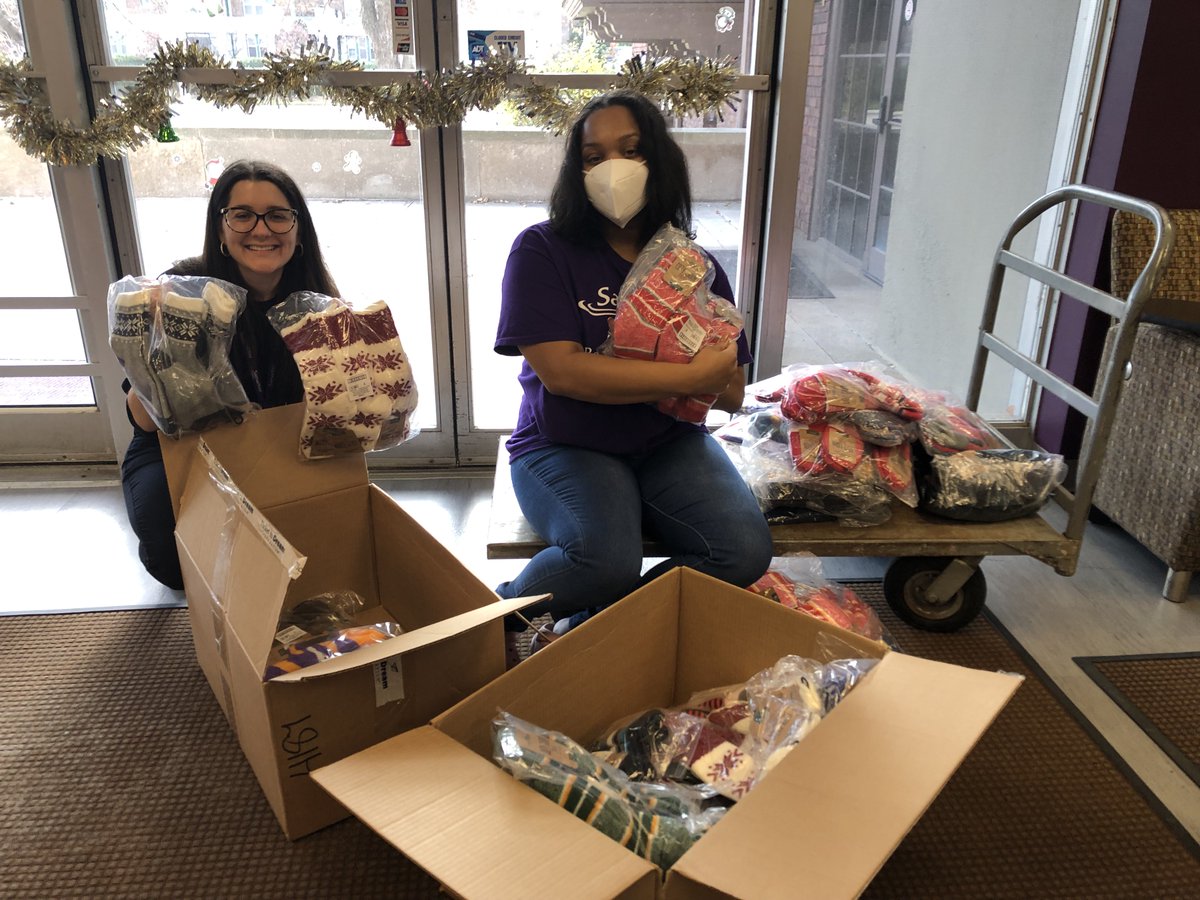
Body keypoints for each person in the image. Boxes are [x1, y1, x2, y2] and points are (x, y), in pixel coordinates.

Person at [493, 91, 774, 661]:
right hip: (565, 444)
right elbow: (565, 374)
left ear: (660, 161)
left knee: (742, 550)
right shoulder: (542, 249)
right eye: (593, 156)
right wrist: (687, 373)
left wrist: (699, 375)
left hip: (667, 444)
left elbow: (730, 390)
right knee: (604, 557)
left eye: (631, 150)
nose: (611, 169)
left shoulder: (691, 265)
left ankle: (603, 631)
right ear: (577, 170)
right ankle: (501, 615)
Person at [120, 160, 339, 589]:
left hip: (271, 443)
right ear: (221, 228)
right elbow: (142, 419)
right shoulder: (181, 288)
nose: (261, 230)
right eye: (242, 215)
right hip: (177, 444)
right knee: (173, 560)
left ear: (298, 229)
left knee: (317, 543)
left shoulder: (317, 302)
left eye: (278, 215)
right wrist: (154, 355)